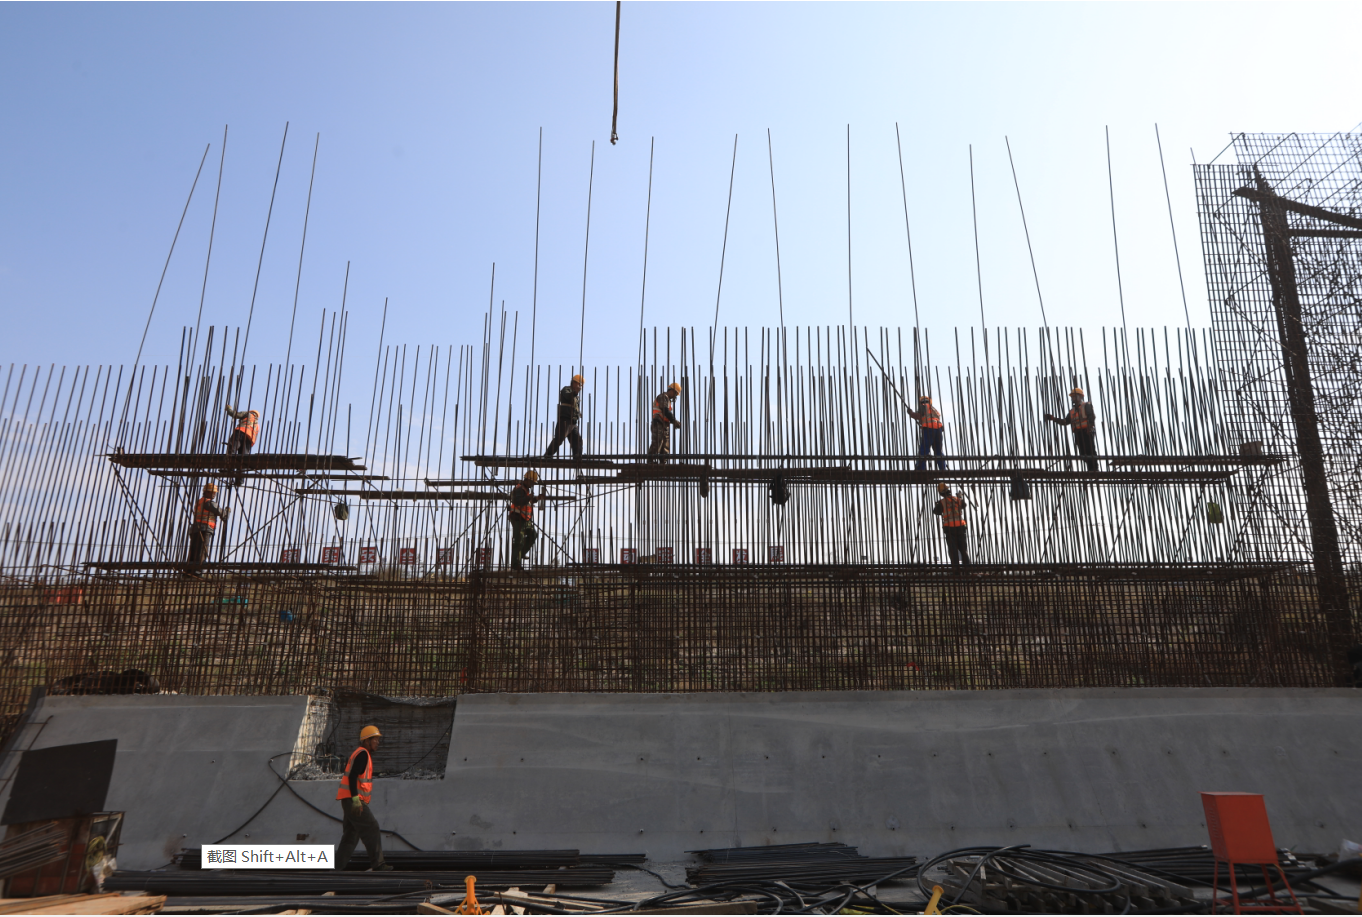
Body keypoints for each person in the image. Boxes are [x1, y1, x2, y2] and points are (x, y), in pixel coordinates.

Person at [335, 725, 392, 871]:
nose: (378, 742)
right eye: (375, 739)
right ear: (367, 741)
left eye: (378, 739)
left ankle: (336, 869)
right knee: (372, 827)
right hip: (353, 800)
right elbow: (353, 776)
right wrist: (355, 799)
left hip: (348, 800)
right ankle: (378, 865)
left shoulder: (360, 753)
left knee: (350, 836)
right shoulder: (363, 754)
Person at [1044, 387, 1098, 472]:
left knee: (1090, 450)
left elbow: (1091, 417)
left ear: (1081, 396)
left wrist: (1090, 427)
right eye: (1072, 396)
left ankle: (1094, 468)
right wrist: (1053, 418)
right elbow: (1065, 422)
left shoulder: (1086, 405)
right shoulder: (1072, 411)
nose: (1073, 398)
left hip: (1086, 432)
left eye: (1075, 396)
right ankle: (1090, 468)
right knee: (1083, 453)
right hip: (1078, 434)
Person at [185, 483, 229, 576]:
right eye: (212, 492)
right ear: (206, 492)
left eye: (215, 492)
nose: (214, 494)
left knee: (193, 550)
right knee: (202, 550)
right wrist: (227, 511)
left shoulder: (199, 501)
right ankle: (197, 570)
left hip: (195, 528)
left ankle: (188, 570)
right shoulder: (209, 503)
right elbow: (223, 515)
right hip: (205, 529)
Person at [543, 375, 585, 462]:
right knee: (559, 438)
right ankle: (548, 455)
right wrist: (575, 392)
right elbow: (567, 396)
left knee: (577, 440)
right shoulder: (566, 389)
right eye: (579, 384)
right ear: (574, 382)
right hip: (565, 420)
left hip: (573, 423)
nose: (580, 387)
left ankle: (577, 457)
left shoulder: (576, 396)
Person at [932, 482, 970, 566]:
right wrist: (960, 497)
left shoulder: (942, 502)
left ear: (941, 493)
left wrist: (938, 504)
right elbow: (964, 505)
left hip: (950, 528)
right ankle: (967, 569)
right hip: (961, 527)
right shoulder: (957, 499)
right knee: (963, 550)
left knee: (953, 550)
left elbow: (935, 511)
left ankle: (956, 569)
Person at [508, 471, 540, 571]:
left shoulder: (525, 490)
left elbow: (527, 502)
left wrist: (536, 499)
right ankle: (515, 564)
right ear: (527, 480)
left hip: (525, 519)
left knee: (533, 535)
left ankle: (521, 553)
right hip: (518, 518)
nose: (533, 484)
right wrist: (528, 497)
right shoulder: (519, 489)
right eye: (532, 482)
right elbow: (517, 501)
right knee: (519, 541)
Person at [907, 394, 947, 471]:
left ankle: (921, 469)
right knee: (938, 451)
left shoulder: (923, 406)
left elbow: (919, 415)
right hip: (938, 430)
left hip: (929, 429)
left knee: (924, 450)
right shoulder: (934, 410)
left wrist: (911, 413)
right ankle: (943, 469)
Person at [223, 404, 260, 486]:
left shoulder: (248, 414)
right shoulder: (257, 425)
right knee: (243, 459)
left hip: (240, 432)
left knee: (232, 448)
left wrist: (228, 409)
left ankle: (229, 467)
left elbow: (235, 414)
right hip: (249, 440)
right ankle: (239, 480)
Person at [647, 383, 683, 463]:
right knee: (657, 442)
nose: (675, 396)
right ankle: (650, 461)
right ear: (672, 390)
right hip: (658, 423)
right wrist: (673, 420)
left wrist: (673, 421)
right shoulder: (663, 397)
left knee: (665, 446)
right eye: (675, 393)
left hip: (664, 425)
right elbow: (665, 410)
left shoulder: (668, 400)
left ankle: (663, 463)